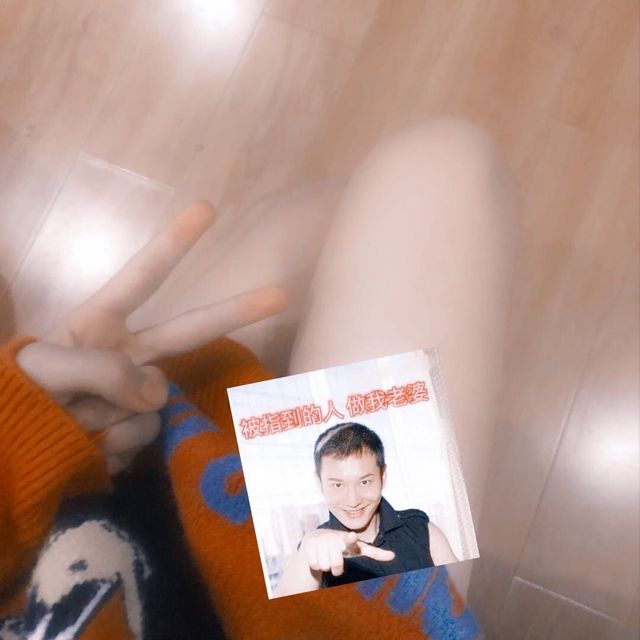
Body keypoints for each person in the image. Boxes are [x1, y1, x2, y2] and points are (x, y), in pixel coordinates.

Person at [0, 116, 518, 639]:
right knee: (440, 167)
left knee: (310, 220)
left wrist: (15, 448)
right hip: (330, 611)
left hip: (93, 489)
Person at [276, 423, 458, 596]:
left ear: (383, 476)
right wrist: (306, 554)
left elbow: (464, 596)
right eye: (338, 485)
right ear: (319, 483)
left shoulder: (420, 529)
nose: (353, 501)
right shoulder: (316, 550)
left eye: (364, 482)